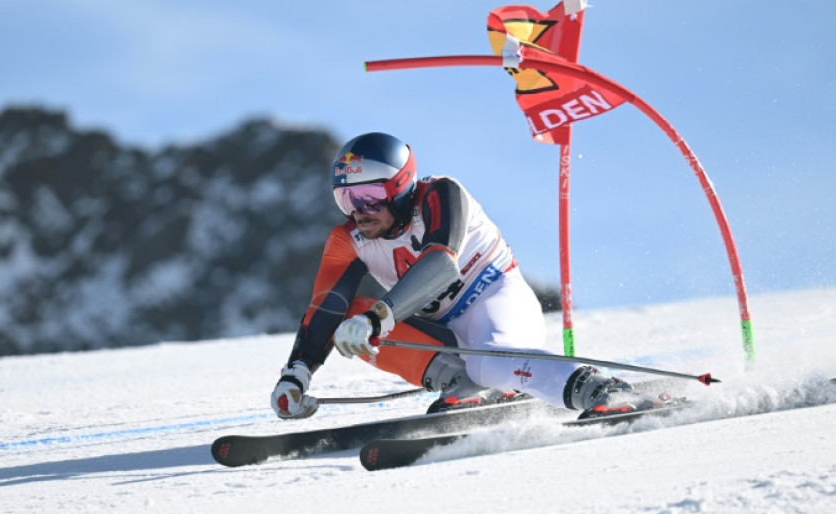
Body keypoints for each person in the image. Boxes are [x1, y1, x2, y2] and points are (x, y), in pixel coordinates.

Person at [271, 132, 661, 420]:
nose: (359, 211)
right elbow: (326, 305)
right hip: (444, 331)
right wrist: (297, 374)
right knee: (351, 315)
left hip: (496, 298)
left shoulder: (441, 194)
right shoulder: (349, 239)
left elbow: (441, 263)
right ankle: (464, 386)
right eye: (347, 199)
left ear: (401, 186)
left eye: (369, 197)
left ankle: (601, 389)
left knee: (487, 361)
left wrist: (376, 319)